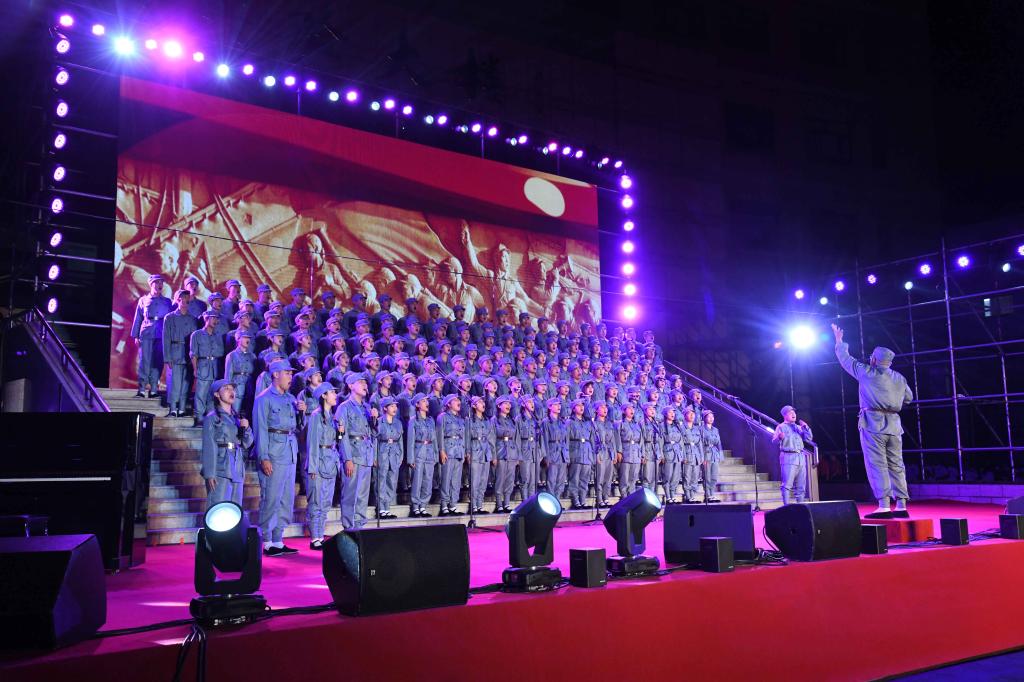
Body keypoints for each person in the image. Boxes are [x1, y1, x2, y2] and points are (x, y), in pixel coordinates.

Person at [832, 323, 914, 516]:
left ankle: (884, 505)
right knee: (897, 464)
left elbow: (846, 360)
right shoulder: (900, 378)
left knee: (877, 463)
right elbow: (908, 398)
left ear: (875, 359)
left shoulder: (867, 372)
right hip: (894, 425)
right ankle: (901, 505)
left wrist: (839, 341)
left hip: (873, 423)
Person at [254, 360, 306, 556]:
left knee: (286, 498)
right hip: (273, 452)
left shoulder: (290, 398)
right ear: (275, 374)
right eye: (287, 373)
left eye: (291, 374)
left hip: (290, 450)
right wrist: (263, 457)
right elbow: (260, 430)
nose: (290, 377)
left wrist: (302, 413)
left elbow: (298, 427)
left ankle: (278, 539)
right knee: (271, 496)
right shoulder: (264, 399)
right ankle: (267, 541)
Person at [200, 379, 253, 508]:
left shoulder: (237, 417)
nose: (231, 391)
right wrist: (210, 473)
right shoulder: (212, 418)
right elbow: (209, 447)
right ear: (217, 394)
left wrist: (246, 428)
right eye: (226, 388)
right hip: (221, 467)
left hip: (237, 466)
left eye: (232, 389)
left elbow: (247, 443)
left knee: (234, 508)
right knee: (218, 506)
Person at [336, 373, 377, 529]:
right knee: (350, 494)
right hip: (353, 455)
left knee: (362, 496)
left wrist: (374, 420)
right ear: (351, 386)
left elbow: (374, 433)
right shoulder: (344, 407)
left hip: (366, 455)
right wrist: (347, 458)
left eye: (365, 383)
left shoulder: (367, 408)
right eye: (360, 382)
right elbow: (341, 435)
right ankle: (349, 527)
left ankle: (359, 526)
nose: (365, 385)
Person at [305, 383, 340, 550]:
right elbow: (312, 443)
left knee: (326, 502)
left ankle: (320, 535)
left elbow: (336, 440)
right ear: (324, 396)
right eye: (332, 392)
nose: (335, 395)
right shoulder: (316, 416)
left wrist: (341, 432)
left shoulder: (332, 417)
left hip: (331, 462)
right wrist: (312, 467)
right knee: (316, 502)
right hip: (319, 462)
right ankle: (315, 538)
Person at [131, 273, 172, 398]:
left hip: (161, 334)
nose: (160, 285)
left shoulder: (167, 301)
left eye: (161, 283)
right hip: (146, 333)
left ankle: (154, 388)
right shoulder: (143, 300)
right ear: (151, 284)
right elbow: (138, 318)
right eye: (157, 282)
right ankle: (142, 389)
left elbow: (171, 321)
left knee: (158, 362)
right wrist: (136, 335)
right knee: (145, 361)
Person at [161, 289, 197, 417]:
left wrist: (195, 358)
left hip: (188, 354)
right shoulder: (169, 317)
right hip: (175, 353)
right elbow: (166, 338)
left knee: (186, 382)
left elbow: (195, 340)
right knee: (174, 382)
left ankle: (182, 408)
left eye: (188, 297)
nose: (186, 299)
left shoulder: (193, 319)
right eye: (184, 297)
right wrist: (167, 357)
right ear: (178, 299)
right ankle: (173, 407)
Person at [190, 310, 225, 428]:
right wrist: (195, 369)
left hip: (214, 367)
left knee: (212, 394)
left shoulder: (218, 336)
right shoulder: (197, 334)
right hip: (203, 366)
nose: (215, 320)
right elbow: (193, 354)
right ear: (206, 319)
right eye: (213, 318)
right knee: (201, 393)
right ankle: (199, 417)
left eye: (217, 318)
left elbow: (221, 352)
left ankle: (210, 417)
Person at [773, 405, 813, 505]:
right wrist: (779, 437)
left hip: (800, 457)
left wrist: (806, 427)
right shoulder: (781, 427)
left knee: (801, 487)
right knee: (787, 485)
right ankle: (786, 507)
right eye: (790, 413)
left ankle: (801, 508)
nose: (793, 414)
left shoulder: (798, 427)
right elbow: (774, 441)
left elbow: (809, 438)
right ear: (784, 415)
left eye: (794, 412)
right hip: (788, 457)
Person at [406, 393, 438, 517]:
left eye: (426, 401)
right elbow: (410, 440)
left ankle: (423, 505)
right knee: (417, 480)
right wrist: (410, 458)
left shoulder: (431, 420)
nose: (426, 403)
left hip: (429, 452)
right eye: (423, 401)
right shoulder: (413, 421)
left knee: (428, 480)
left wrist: (435, 454)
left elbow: (434, 439)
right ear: (417, 405)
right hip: (418, 451)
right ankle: (415, 506)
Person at [437, 394, 467, 516]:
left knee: (456, 480)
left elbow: (463, 436)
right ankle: (444, 504)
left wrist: (464, 451)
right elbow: (440, 434)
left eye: (458, 400)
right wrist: (441, 450)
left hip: (458, 451)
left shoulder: (460, 419)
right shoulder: (443, 417)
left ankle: (453, 504)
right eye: (455, 400)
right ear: (448, 404)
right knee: (446, 478)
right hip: (448, 450)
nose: (458, 402)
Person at [375, 396, 404, 520]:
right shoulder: (379, 421)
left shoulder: (398, 423)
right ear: (385, 408)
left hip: (394, 453)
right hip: (382, 452)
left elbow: (400, 440)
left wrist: (401, 455)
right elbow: (375, 439)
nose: (395, 408)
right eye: (392, 406)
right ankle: (381, 508)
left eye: (395, 406)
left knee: (392, 480)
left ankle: (387, 507)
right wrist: (374, 457)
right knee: (381, 480)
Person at [466, 396, 496, 514]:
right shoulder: (469, 420)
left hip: (486, 452)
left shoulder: (486, 421)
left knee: (483, 480)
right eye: (479, 402)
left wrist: (493, 455)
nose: (483, 403)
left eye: (483, 401)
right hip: (475, 451)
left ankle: (479, 504)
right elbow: (467, 437)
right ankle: (473, 505)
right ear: (474, 406)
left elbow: (491, 439)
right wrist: (467, 452)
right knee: (475, 480)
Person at [566, 399, 596, 509]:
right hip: (575, 452)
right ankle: (575, 500)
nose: (581, 407)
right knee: (574, 478)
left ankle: (583, 500)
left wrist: (593, 455)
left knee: (584, 479)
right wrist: (567, 455)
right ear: (573, 409)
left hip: (587, 453)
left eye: (582, 405)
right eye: (578, 406)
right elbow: (566, 439)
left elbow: (592, 440)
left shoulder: (587, 423)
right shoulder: (570, 422)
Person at [492, 396, 520, 512]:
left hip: (512, 452)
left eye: (509, 403)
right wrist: (493, 456)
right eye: (505, 403)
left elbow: (517, 438)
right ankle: (499, 503)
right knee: (500, 478)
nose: (508, 405)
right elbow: (492, 438)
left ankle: (507, 503)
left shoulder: (512, 420)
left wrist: (517, 455)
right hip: (501, 451)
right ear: (499, 406)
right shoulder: (494, 420)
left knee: (510, 479)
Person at [223, 329, 256, 415]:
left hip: (250, 386)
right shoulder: (232, 355)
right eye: (244, 337)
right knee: (235, 411)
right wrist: (228, 388)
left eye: (248, 338)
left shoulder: (252, 356)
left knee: (249, 411)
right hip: (237, 386)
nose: (247, 340)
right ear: (238, 339)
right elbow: (228, 375)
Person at [542, 398, 569, 500]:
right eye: (556, 405)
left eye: (559, 405)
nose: (559, 406)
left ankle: (557, 500)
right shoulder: (546, 422)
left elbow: (566, 440)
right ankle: (551, 501)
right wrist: (546, 456)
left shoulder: (562, 422)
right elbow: (544, 440)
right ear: (550, 407)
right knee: (551, 480)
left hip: (562, 454)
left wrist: (567, 456)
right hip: (552, 452)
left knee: (561, 480)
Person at [517, 395, 543, 501]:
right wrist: (518, 455)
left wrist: (540, 452)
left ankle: (532, 501)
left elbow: (539, 437)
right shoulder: (519, 419)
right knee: (525, 478)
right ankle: (525, 501)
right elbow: (517, 438)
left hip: (534, 451)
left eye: (533, 402)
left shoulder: (534, 420)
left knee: (533, 479)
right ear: (523, 404)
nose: (532, 404)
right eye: (529, 402)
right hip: (524, 451)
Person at [680, 406, 703, 502]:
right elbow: (681, 443)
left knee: (695, 476)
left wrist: (701, 456)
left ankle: (692, 495)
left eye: (693, 414)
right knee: (687, 476)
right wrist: (683, 456)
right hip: (687, 453)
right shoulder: (682, 427)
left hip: (696, 455)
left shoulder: (696, 428)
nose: (692, 415)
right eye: (689, 414)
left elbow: (699, 443)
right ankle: (688, 496)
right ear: (685, 415)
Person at [661, 406, 684, 503]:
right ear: (665, 414)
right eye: (670, 412)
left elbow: (681, 441)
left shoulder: (677, 426)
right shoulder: (662, 426)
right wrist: (661, 455)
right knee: (668, 475)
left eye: (673, 412)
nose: (672, 414)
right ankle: (668, 496)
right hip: (668, 452)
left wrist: (683, 455)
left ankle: (672, 494)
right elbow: (660, 441)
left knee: (676, 476)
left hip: (677, 453)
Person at [700, 410, 723, 503]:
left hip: (714, 454)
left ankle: (712, 494)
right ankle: (707, 495)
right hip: (706, 453)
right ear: (704, 418)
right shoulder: (701, 429)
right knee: (707, 476)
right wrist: (702, 457)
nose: (711, 418)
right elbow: (700, 444)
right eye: (709, 417)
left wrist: (720, 455)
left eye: (712, 417)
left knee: (714, 476)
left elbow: (719, 443)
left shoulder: (715, 429)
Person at [640, 402, 662, 492]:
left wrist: (660, 454)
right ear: (645, 411)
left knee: (654, 476)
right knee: (647, 475)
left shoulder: (656, 423)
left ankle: (653, 494)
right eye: (650, 409)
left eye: (653, 409)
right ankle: (646, 494)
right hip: (647, 449)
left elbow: (660, 440)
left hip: (655, 451)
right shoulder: (642, 423)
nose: (653, 411)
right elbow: (641, 439)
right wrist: (642, 454)